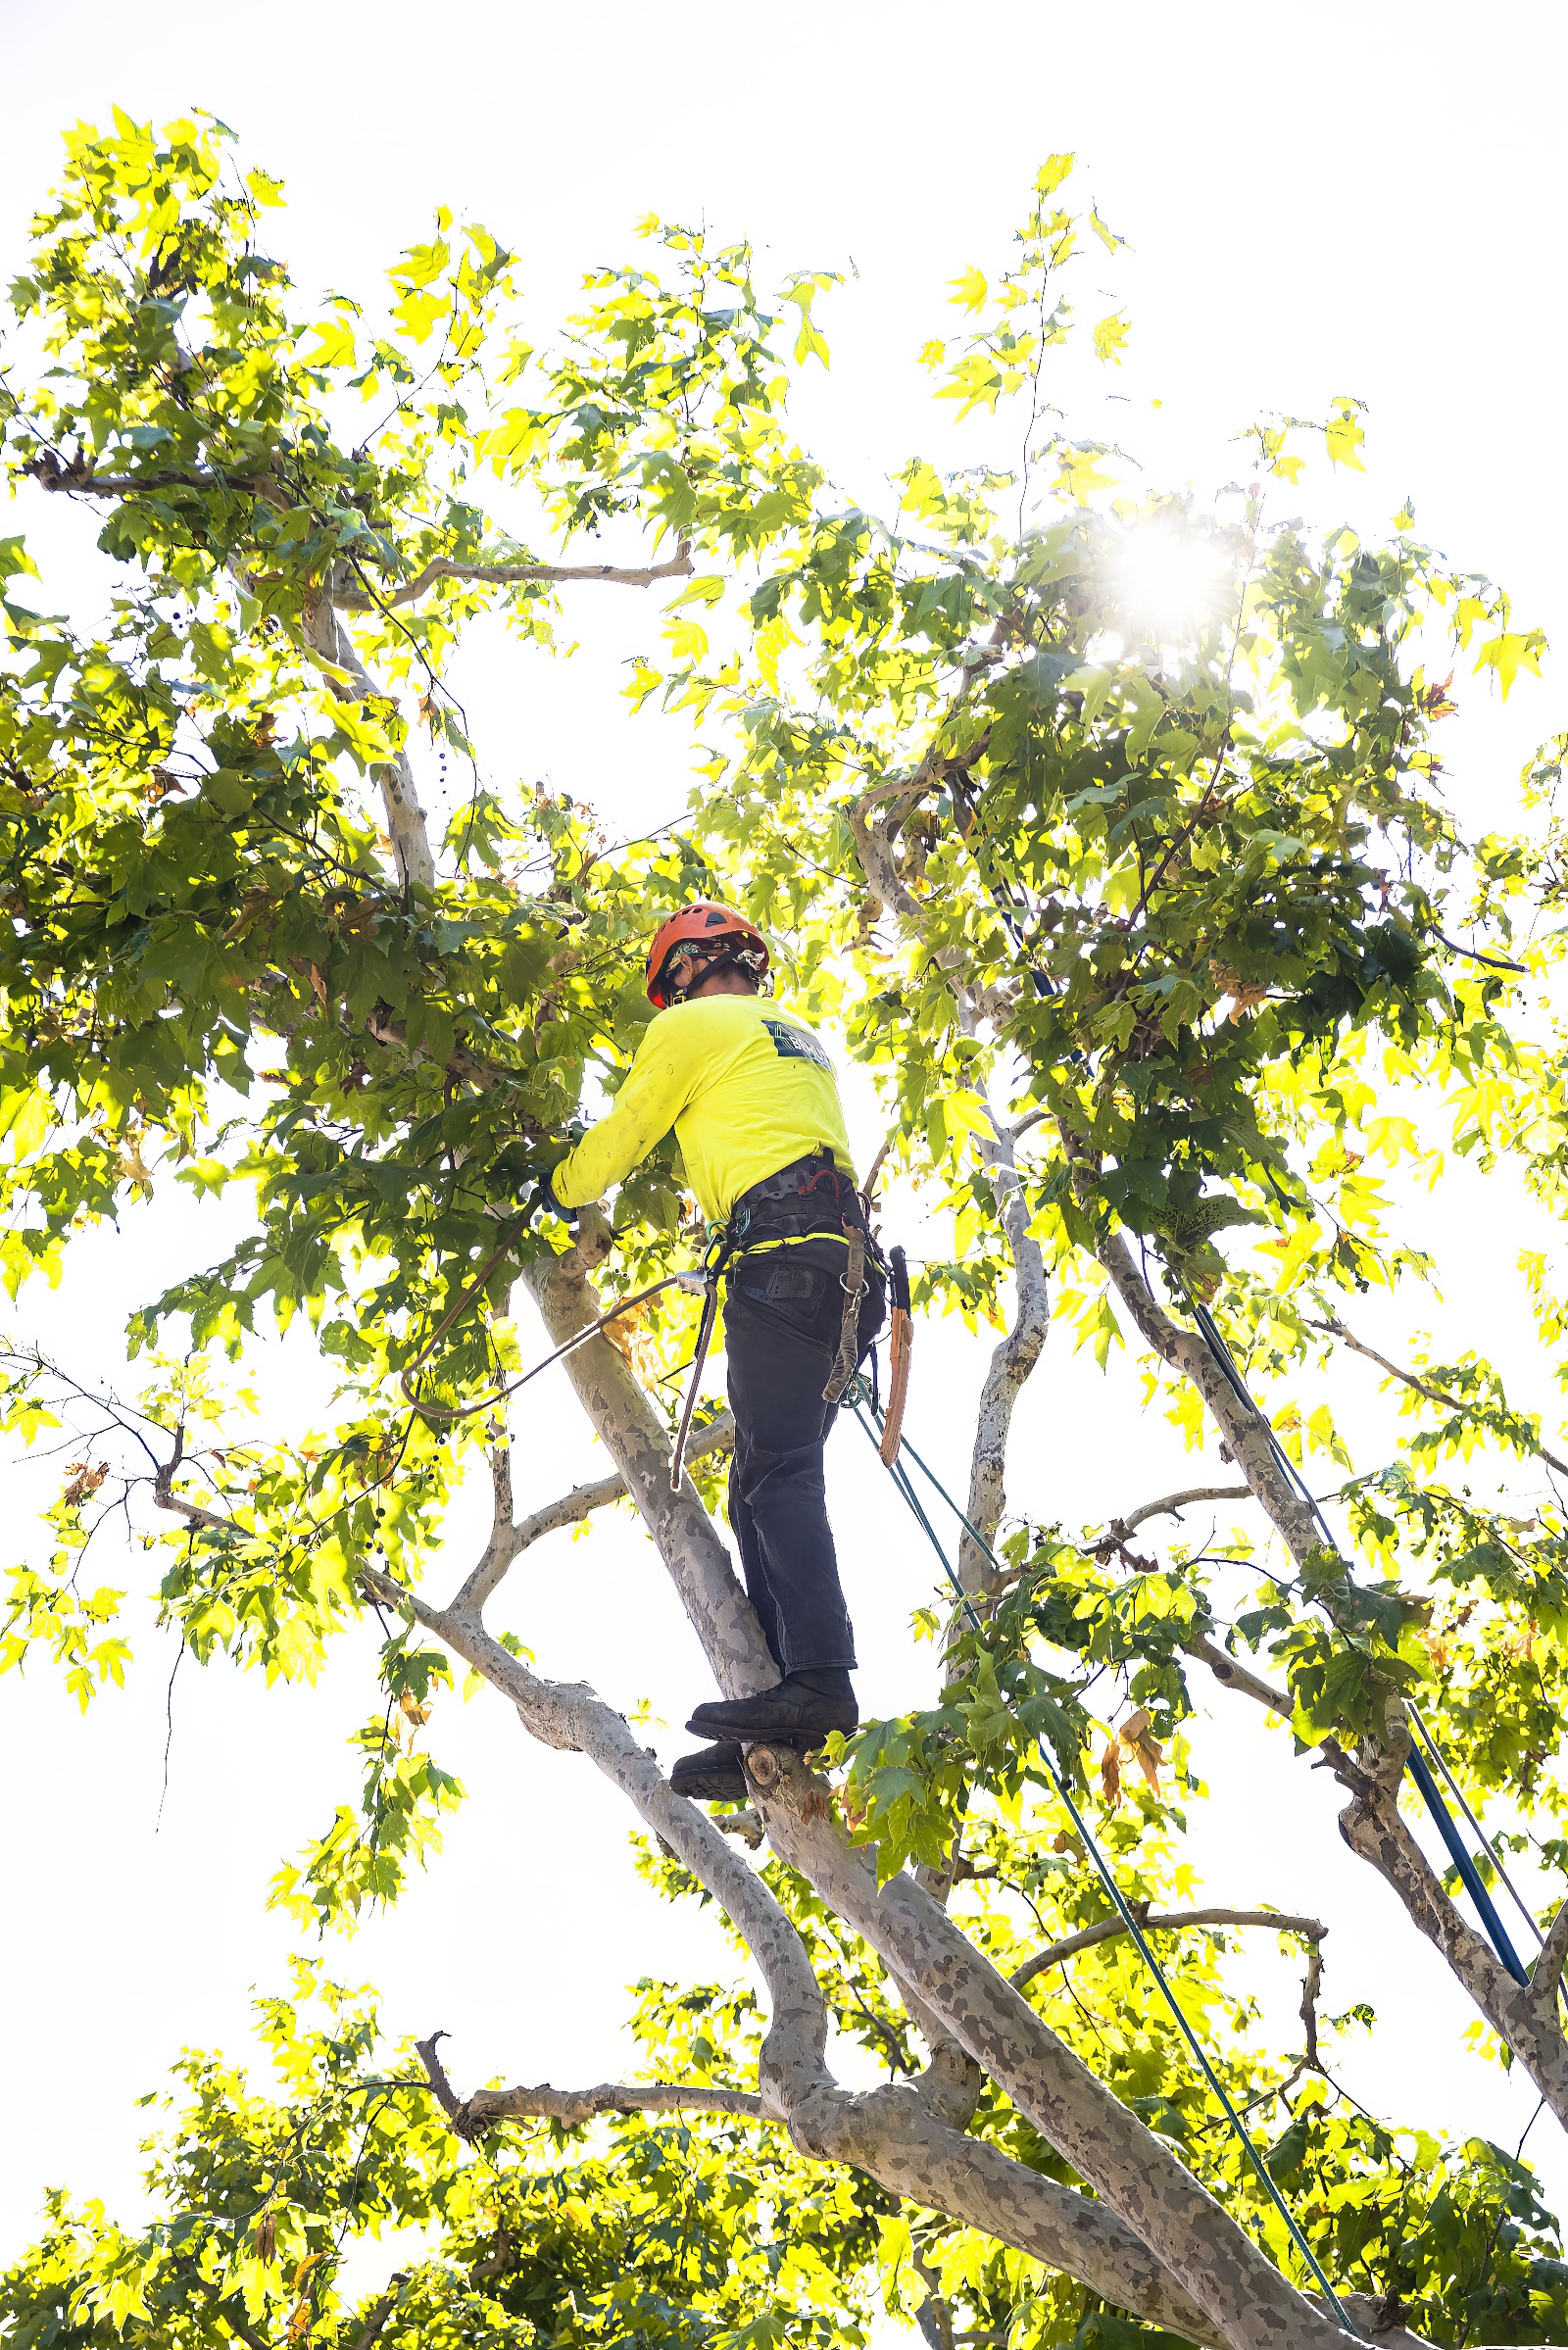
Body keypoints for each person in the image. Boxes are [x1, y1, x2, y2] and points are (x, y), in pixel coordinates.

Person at [540, 901, 885, 1803]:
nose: (667, 1001)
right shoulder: (796, 1034)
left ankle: (818, 1680)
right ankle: (778, 1707)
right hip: (846, 1272)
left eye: (668, 985)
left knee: (776, 1482)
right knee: (762, 1485)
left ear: (687, 969)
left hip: (783, 1261)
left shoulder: (694, 1025)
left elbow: (621, 1139)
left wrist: (555, 1183)